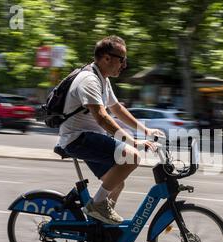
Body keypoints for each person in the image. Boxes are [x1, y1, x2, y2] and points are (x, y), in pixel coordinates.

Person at [57, 36, 164, 224]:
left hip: (89, 137)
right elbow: (102, 117)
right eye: (122, 59)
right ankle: (97, 206)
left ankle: (100, 228)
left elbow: (117, 109)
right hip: (78, 139)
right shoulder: (89, 80)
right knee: (131, 157)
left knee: (117, 183)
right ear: (106, 58)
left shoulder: (102, 79)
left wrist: (146, 130)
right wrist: (134, 142)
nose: (124, 65)